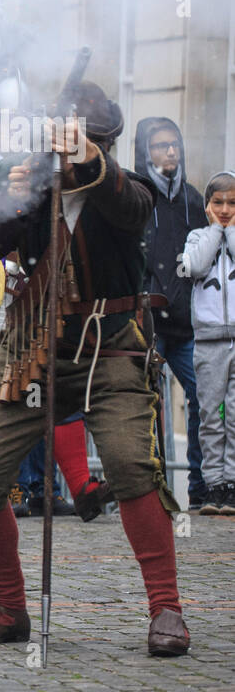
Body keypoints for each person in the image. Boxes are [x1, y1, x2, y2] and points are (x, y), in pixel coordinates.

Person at [0, 80, 189, 657]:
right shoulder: (29, 185)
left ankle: (166, 608)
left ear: (103, 143)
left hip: (111, 346)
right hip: (30, 344)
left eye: (87, 141)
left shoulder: (124, 186)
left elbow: (131, 208)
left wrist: (87, 159)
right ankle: (9, 605)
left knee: (132, 467)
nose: (69, 150)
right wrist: (9, 205)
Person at [135, 117, 207, 510]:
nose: (171, 152)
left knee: (206, 397)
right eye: (161, 145)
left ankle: (201, 486)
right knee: (146, 405)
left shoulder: (193, 199)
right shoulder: (137, 198)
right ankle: (151, 491)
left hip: (188, 323)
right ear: (146, 151)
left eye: (174, 144)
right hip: (147, 322)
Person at [182, 171, 235, 517]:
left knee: (234, 415)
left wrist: (229, 233)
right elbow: (196, 266)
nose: (225, 209)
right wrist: (216, 231)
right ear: (207, 206)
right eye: (218, 203)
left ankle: (232, 484)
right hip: (209, 343)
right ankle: (214, 484)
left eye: (232, 203)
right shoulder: (197, 238)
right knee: (212, 415)